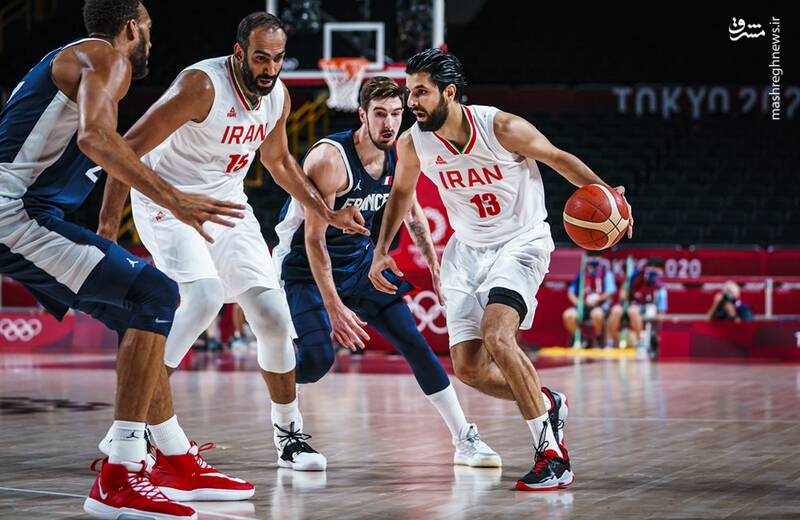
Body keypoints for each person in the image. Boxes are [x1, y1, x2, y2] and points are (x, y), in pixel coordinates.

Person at [0, 1, 249, 518]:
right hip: (15, 213)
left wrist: (107, 228)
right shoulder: (107, 57)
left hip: (31, 211)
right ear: (132, 27)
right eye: (149, 28)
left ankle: (174, 457)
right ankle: (120, 474)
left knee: (134, 316)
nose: (151, 38)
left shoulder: (78, 59)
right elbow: (96, 138)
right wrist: (175, 199)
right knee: (156, 293)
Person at [97, 12, 368, 477]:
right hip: (167, 199)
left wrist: (327, 213)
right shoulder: (201, 86)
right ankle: (134, 422)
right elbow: (125, 149)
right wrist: (106, 231)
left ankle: (289, 435)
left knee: (273, 316)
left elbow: (279, 162)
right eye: (261, 58)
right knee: (202, 297)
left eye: (278, 59)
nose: (270, 68)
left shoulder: (277, 96)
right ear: (239, 52)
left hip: (227, 203)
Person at [369, 49, 633, 491]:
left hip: (520, 243)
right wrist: (382, 250)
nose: (411, 102)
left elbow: (558, 158)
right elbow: (400, 193)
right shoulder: (414, 143)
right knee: (469, 369)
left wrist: (609, 195)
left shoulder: (501, 127)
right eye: (409, 91)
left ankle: (553, 457)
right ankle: (546, 401)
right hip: (465, 252)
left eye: (421, 92)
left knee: (497, 335)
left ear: (449, 93)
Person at [273, 76, 503, 467]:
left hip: (360, 264)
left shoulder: (399, 155)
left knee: (414, 341)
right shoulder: (330, 160)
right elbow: (313, 240)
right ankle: (280, 399)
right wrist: (334, 306)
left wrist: (435, 267)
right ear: (362, 115)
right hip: (304, 268)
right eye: (380, 114)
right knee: (318, 358)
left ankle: (464, 438)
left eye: (396, 114)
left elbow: (412, 213)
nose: (389, 123)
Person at [608, 256, 668, 348]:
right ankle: (612, 341)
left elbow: (662, 309)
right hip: (629, 304)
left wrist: (659, 330)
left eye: (656, 268)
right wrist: (624, 292)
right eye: (650, 267)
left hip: (648, 308)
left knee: (633, 311)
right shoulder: (636, 276)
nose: (652, 270)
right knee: (616, 310)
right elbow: (623, 293)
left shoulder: (660, 285)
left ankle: (641, 342)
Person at [562, 251, 617, 348]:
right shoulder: (581, 274)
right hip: (583, 306)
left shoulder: (606, 274)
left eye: (596, 257)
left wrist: (598, 298)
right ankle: (582, 339)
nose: (594, 259)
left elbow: (610, 291)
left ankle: (598, 339)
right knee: (568, 315)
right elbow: (571, 292)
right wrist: (578, 302)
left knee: (597, 314)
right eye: (591, 257)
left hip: (599, 306)